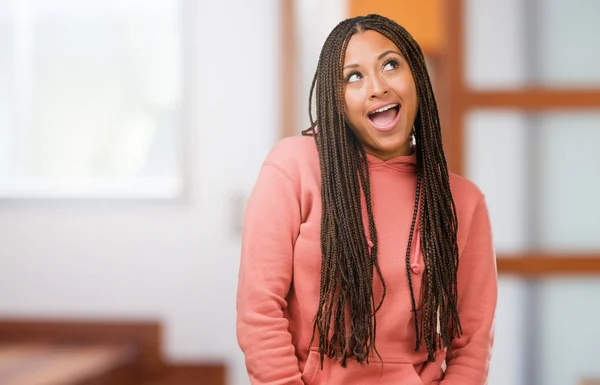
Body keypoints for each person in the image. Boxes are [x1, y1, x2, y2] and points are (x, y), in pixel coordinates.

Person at [236, 13, 497, 385]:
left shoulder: (462, 201)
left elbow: (472, 342)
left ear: (418, 78)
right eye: (353, 76)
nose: (377, 87)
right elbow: (259, 311)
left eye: (390, 64)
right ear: (336, 101)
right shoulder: (293, 167)